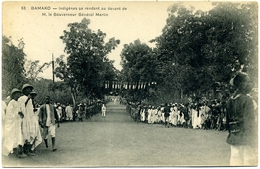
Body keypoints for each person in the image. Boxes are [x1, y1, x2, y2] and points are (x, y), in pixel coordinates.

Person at [226, 72, 257, 166]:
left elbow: (227, 122)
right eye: (247, 81)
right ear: (241, 84)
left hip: (234, 138)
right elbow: (250, 122)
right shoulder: (247, 100)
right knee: (249, 163)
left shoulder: (230, 100)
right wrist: (254, 140)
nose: (250, 84)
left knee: (235, 163)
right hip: (246, 138)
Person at [3, 88, 26, 158]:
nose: (18, 95)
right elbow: (9, 113)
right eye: (17, 94)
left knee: (18, 137)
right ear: (13, 95)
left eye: (19, 93)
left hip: (17, 123)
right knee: (12, 137)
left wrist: (21, 114)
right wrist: (17, 113)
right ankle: (12, 152)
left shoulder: (18, 102)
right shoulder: (11, 102)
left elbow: (19, 111)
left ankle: (18, 152)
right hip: (12, 123)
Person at [18, 84, 36, 156]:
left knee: (29, 134)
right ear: (24, 90)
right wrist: (28, 99)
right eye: (27, 89)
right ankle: (21, 152)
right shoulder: (21, 98)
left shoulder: (30, 99)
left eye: (30, 89)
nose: (29, 90)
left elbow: (30, 110)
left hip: (29, 119)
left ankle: (27, 151)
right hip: (23, 119)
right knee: (23, 134)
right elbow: (22, 108)